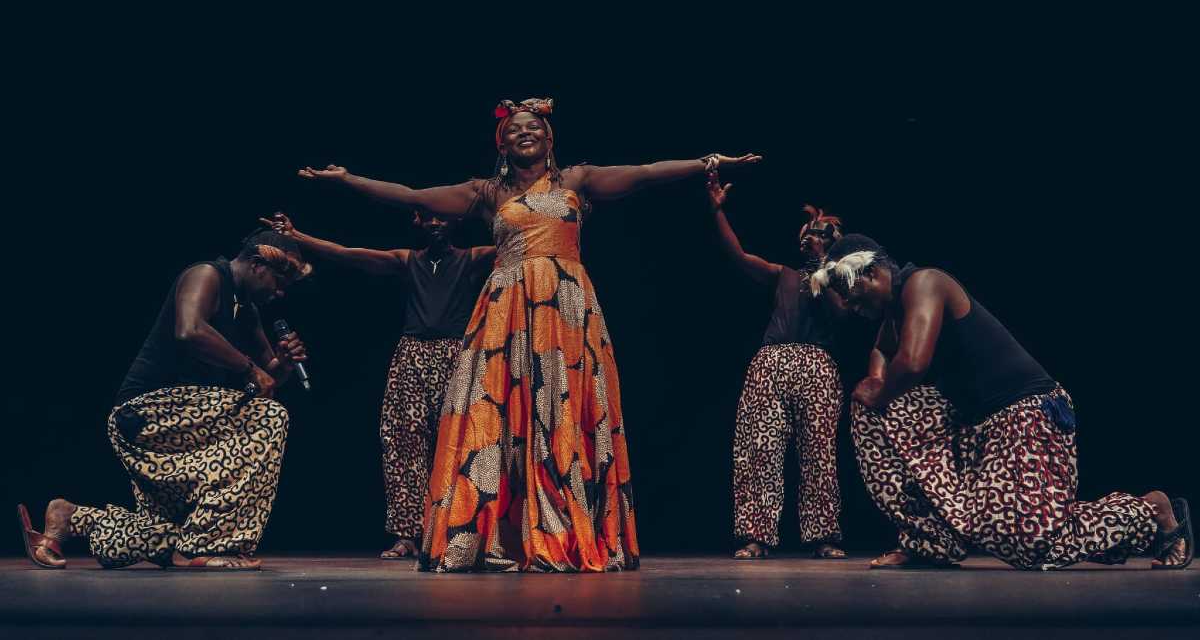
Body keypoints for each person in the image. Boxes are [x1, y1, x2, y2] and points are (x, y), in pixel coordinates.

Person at [298, 97, 761, 572]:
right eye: (514, 128)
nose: (525, 132)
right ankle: (500, 534)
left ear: (549, 138)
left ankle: (565, 528)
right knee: (497, 411)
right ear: (501, 144)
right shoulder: (487, 193)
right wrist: (349, 180)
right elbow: (412, 195)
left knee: (561, 408)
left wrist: (708, 162)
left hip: (566, 307)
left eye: (533, 127)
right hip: (508, 308)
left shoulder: (576, 181)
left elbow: (644, 174)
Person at [811, 234, 1192, 570]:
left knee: (1031, 546)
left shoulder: (924, 282)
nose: (847, 305)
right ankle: (930, 541)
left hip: (1027, 414)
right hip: (976, 424)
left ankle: (1150, 510)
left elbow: (911, 364)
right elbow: (882, 350)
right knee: (870, 406)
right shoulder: (894, 314)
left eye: (849, 294)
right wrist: (876, 382)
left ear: (873, 273)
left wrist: (879, 391)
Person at [18, 230, 311, 570]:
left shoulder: (247, 311)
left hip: (189, 422)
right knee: (269, 417)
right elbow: (190, 329)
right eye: (279, 281)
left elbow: (264, 381)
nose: (280, 291)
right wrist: (250, 369)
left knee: (172, 532)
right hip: (147, 412)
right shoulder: (207, 274)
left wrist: (281, 365)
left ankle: (73, 518)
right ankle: (207, 546)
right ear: (258, 264)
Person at [263, 209, 494, 559]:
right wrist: (297, 237)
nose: (435, 223)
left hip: (458, 354)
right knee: (402, 441)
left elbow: (521, 241)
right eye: (427, 218)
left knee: (463, 443)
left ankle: (459, 531)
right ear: (416, 221)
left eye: (442, 218)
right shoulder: (407, 260)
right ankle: (407, 534)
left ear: (456, 221)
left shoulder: (472, 258)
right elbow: (347, 253)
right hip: (412, 355)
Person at [705, 173, 851, 560]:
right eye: (807, 233)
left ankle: (823, 536)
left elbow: (842, 315)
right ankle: (755, 535)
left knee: (819, 453)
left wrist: (824, 265)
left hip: (817, 364)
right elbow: (739, 257)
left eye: (818, 233)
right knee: (759, 449)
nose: (809, 237)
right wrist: (717, 212)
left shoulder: (840, 281)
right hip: (771, 362)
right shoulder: (782, 274)